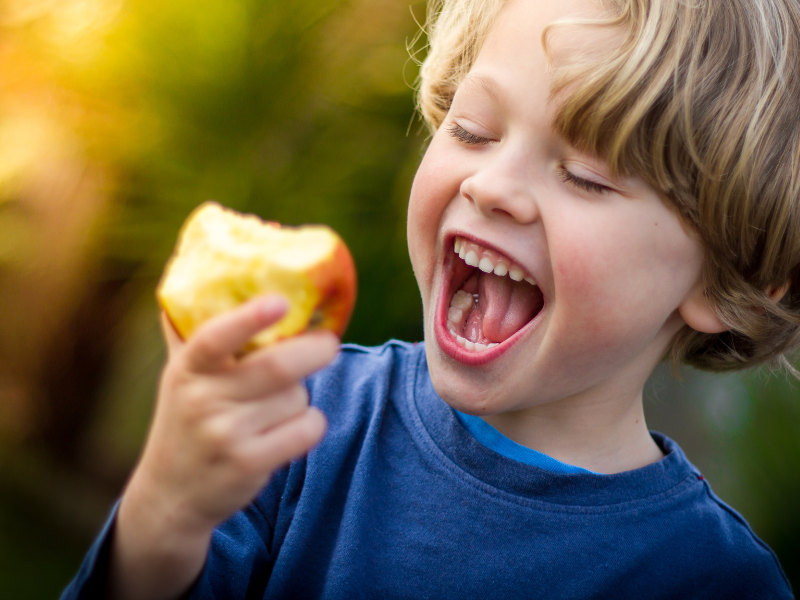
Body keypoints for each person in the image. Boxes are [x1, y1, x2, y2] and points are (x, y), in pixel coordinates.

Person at [61, 0, 799, 598]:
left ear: (724, 283)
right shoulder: (295, 422)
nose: (491, 186)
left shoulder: (715, 580)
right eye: (473, 131)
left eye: (585, 175)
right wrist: (164, 515)